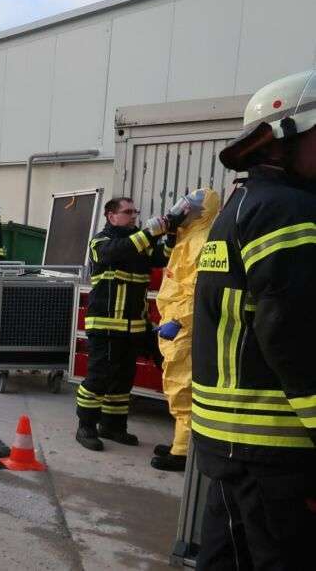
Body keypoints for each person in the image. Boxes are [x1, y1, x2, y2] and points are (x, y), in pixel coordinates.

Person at [192, 69, 316, 569]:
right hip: (273, 442)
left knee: (228, 558)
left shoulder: (244, 205)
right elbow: (288, 327)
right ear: (285, 139)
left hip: (232, 438)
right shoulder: (289, 210)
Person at [75, 197, 174, 451]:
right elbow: (118, 251)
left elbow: (163, 257)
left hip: (133, 329)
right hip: (106, 327)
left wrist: (172, 232)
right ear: (111, 216)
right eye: (127, 212)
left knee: (122, 382)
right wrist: (149, 233)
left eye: (135, 212)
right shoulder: (100, 241)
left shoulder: (140, 243)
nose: (134, 216)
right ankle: (86, 427)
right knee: (98, 379)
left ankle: (113, 427)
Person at [151, 188, 220, 472]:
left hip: (183, 324)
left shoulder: (202, 241)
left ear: (201, 211)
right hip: (176, 322)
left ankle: (183, 453)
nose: (181, 210)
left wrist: (180, 319)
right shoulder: (187, 237)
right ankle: (180, 443)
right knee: (176, 384)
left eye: (187, 206)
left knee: (183, 386)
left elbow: (198, 290)